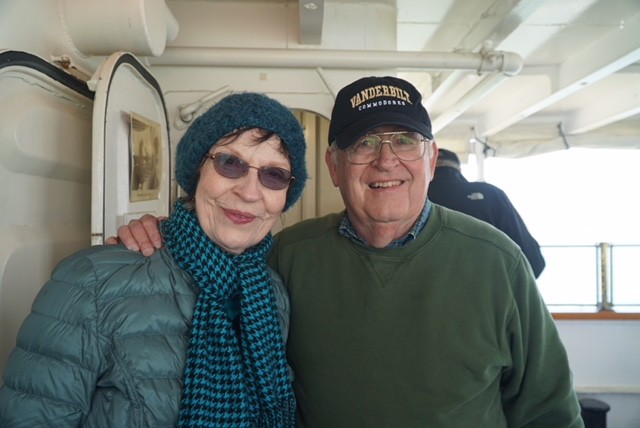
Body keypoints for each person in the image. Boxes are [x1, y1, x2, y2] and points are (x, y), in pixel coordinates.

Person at [113, 76, 584, 427]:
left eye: (405, 141)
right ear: (334, 166)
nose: (386, 160)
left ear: (430, 159)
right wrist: (159, 236)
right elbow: (212, 265)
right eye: (363, 144)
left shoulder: (498, 262)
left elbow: (549, 414)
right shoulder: (287, 256)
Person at [0, 92, 308, 427]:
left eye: (274, 175)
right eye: (230, 163)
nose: (249, 192)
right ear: (197, 171)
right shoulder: (92, 282)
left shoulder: (272, 292)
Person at [428, 148, 546, 277]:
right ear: (459, 170)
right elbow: (534, 263)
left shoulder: (417, 200)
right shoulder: (491, 194)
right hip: (489, 286)